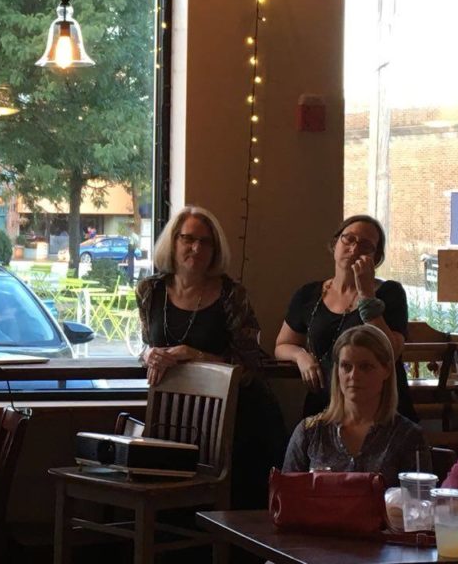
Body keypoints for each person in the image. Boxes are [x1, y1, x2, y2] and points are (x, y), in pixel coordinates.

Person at [137, 205, 286, 509]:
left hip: (239, 417)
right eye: (187, 239)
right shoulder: (149, 291)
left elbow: (250, 367)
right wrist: (149, 354)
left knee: (235, 507)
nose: (196, 248)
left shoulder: (232, 295)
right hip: (177, 416)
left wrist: (194, 355)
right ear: (173, 242)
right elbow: (147, 346)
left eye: (206, 242)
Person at [275, 214, 416, 420]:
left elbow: (391, 351)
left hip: (379, 411)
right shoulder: (308, 294)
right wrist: (301, 357)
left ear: (375, 259)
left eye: (366, 246)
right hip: (325, 408)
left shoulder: (389, 293)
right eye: (348, 239)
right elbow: (282, 345)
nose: (354, 248)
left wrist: (367, 295)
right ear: (335, 244)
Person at [283, 324, 428, 486]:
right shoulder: (309, 433)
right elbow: (287, 497)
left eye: (365, 367)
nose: (354, 375)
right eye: (346, 366)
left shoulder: (408, 436)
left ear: (386, 370)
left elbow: (419, 504)